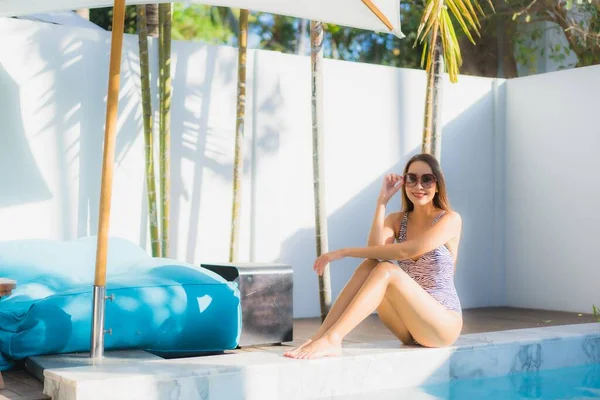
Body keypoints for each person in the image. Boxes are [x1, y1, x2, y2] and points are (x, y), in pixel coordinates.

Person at [284, 153, 463, 360]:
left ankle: (334, 338)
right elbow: (375, 251)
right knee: (371, 266)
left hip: (441, 325)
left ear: (438, 185)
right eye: (411, 178)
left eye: (427, 179)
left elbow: (409, 251)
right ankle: (320, 337)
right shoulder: (397, 220)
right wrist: (382, 202)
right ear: (404, 183)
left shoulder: (450, 219)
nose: (418, 186)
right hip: (408, 327)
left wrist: (345, 252)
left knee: (388, 270)